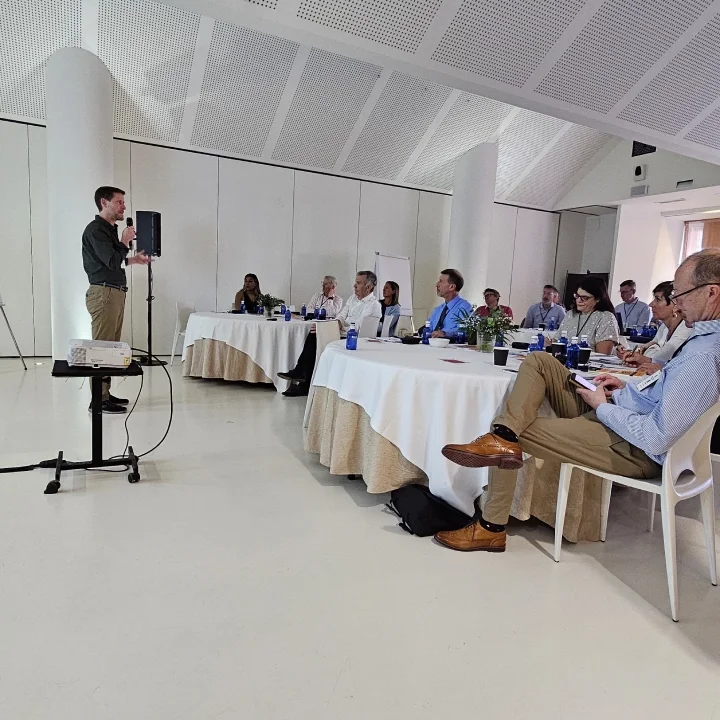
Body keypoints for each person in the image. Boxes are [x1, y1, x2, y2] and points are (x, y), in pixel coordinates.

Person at [434, 248, 720, 553]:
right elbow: (665, 390)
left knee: (512, 435)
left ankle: (490, 527)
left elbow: (655, 437)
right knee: (540, 361)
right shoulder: (701, 340)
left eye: (680, 294)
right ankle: (502, 436)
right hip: (620, 412)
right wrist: (622, 388)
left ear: (711, 293)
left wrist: (602, 406)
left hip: (633, 447)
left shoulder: (704, 355)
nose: (676, 303)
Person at [82, 186, 151, 414]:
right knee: (102, 347)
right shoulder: (96, 230)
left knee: (110, 347)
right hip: (105, 293)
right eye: (119, 202)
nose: (124, 207)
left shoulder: (108, 229)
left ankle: (104, 393)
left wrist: (133, 260)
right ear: (104, 202)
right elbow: (112, 261)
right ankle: (98, 400)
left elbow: (113, 261)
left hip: (114, 292)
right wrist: (124, 241)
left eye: (123, 202)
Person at [278, 271, 381, 397]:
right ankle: (302, 378)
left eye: (358, 283)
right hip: (341, 331)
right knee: (314, 332)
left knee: (316, 336)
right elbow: (342, 314)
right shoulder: (352, 298)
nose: (354, 286)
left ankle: (302, 379)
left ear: (368, 287)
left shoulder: (373, 305)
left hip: (352, 338)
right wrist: (337, 323)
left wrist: (334, 328)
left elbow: (357, 327)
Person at [617, 281, 692, 368]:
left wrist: (651, 349)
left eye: (658, 300)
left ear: (675, 306)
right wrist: (633, 351)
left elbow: (659, 358)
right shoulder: (664, 326)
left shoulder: (686, 329)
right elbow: (648, 350)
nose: (651, 304)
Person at [555, 276, 619, 354]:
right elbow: (556, 341)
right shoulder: (571, 314)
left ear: (598, 299)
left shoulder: (606, 317)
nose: (578, 300)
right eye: (577, 296)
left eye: (584, 298)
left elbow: (603, 355)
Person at [427, 269, 472, 339]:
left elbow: (466, 331)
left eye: (441, 281)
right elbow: (428, 328)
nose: (437, 285)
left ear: (452, 287)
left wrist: (445, 334)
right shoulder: (437, 310)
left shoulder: (464, 308)